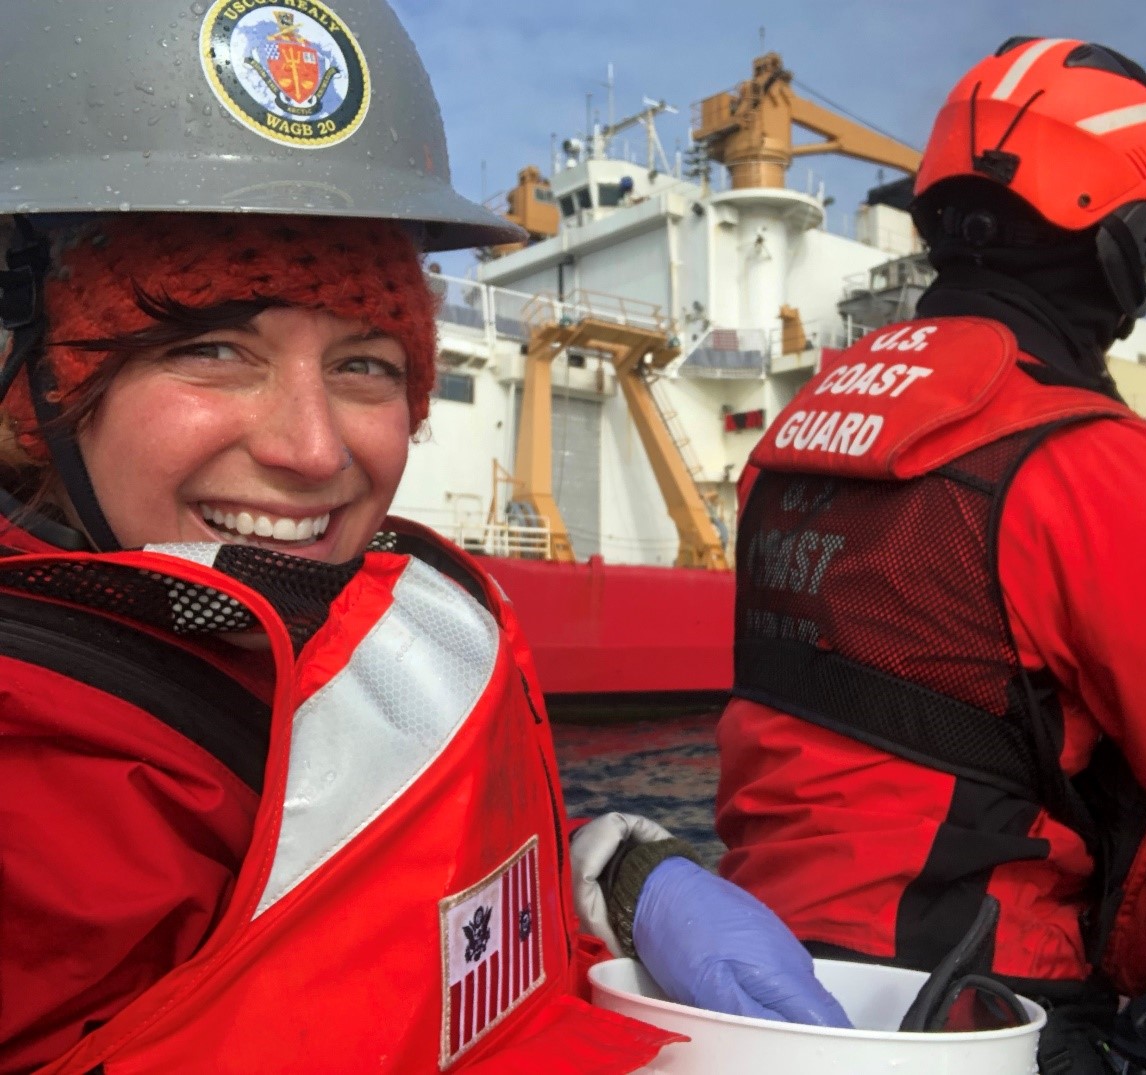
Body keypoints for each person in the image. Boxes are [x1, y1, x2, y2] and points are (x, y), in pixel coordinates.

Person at [0, 2, 845, 1072]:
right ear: (41, 381)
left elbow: (373, 931)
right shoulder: (39, 787)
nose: (311, 449)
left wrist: (610, 881)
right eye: (213, 348)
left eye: (364, 363)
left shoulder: (304, 632)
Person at [714, 36, 1146, 1071]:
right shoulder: (1096, 475)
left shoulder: (800, 444)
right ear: (1129, 250)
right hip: (974, 1015)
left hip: (753, 983)